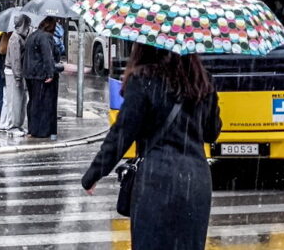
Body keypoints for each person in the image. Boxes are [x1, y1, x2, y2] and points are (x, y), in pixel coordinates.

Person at [81, 43, 221, 250]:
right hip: (195, 182)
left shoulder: (143, 80)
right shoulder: (201, 79)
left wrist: (93, 175)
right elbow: (212, 132)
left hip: (156, 182)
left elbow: (122, 134)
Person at [22, 17, 60, 139]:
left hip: (29, 74)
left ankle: (32, 129)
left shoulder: (32, 35)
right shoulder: (45, 37)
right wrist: (50, 74)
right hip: (40, 75)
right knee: (43, 103)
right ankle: (41, 131)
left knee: (33, 101)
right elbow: (47, 56)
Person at [0, 15, 31, 135]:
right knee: (15, 100)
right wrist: (18, 77)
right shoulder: (15, 38)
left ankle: (18, 124)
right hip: (13, 72)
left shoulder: (21, 36)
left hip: (17, 72)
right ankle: (13, 126)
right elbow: (15, 59)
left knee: (21, 100)